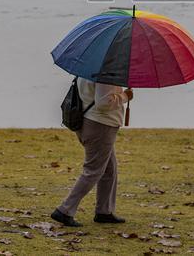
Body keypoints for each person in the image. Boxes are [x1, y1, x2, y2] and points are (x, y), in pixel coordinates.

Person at [51, 78, 133, 227]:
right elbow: (103, 103)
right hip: (100, 125)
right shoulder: (105, 73)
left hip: (89, 121)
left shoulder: (88, 69)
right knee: (93, 171)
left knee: (109, 169)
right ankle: (64, 210)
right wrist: (125, 96)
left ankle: (104, 211)